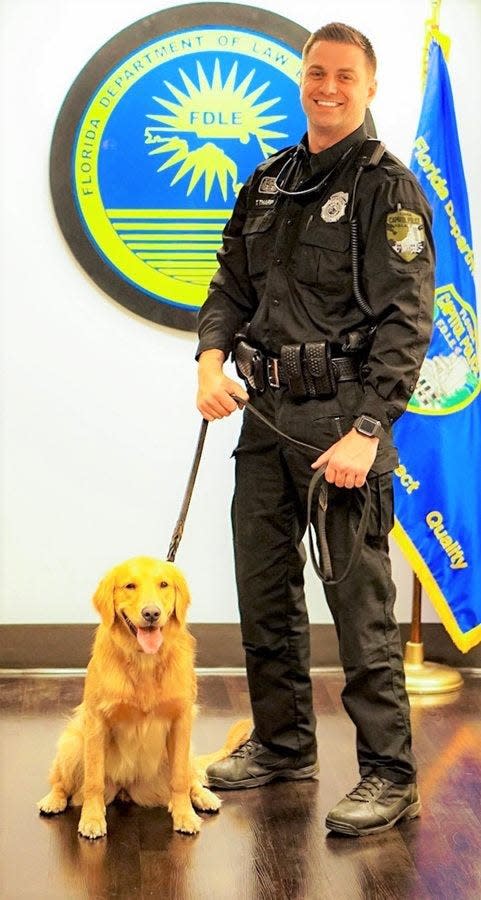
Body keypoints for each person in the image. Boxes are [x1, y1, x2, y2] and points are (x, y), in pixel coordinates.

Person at [196, 22, 434, 836]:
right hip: (262, 416)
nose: (325, 87)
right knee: (263, 591)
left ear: (368, 88)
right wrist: (208, 362)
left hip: (342, 420)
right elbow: (229, 281)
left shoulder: (386, 188)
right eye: (314, 73)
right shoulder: (267, 181)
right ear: (300, 80)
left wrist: (368, 429)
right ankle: (281, 743)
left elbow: (408, 322)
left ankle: (390, 776)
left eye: (343, 76)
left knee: (358, 602)